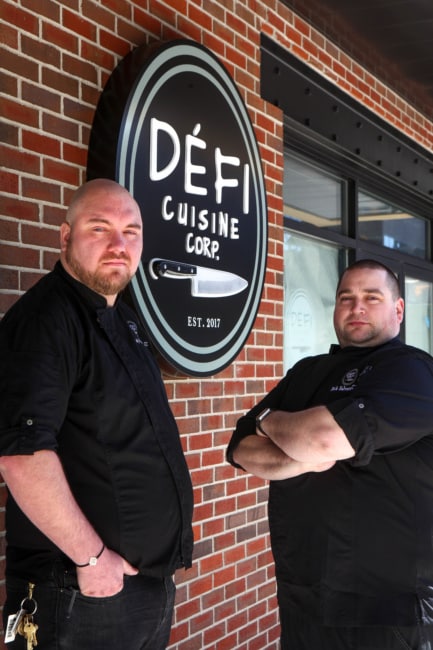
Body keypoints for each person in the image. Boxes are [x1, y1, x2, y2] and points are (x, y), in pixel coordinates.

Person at [0, 179, 194, 650]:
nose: (119, 244)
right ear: (65, 237)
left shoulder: (125, 320)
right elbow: (22, 457)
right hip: (79, 591)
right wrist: (93, 561)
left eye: (132, 231)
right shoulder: (46, 321)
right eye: (100, 227)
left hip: (138, 587)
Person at [227, 259, 433, 650]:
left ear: (399, 310)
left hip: (388, 613)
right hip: (305, 599)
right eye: (346, 298)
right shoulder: (307, 372)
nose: (357, 307)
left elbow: (323, 439)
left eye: (372, 297)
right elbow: (241, 449)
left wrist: (268, 421)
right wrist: (294, 451)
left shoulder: (413, 374)